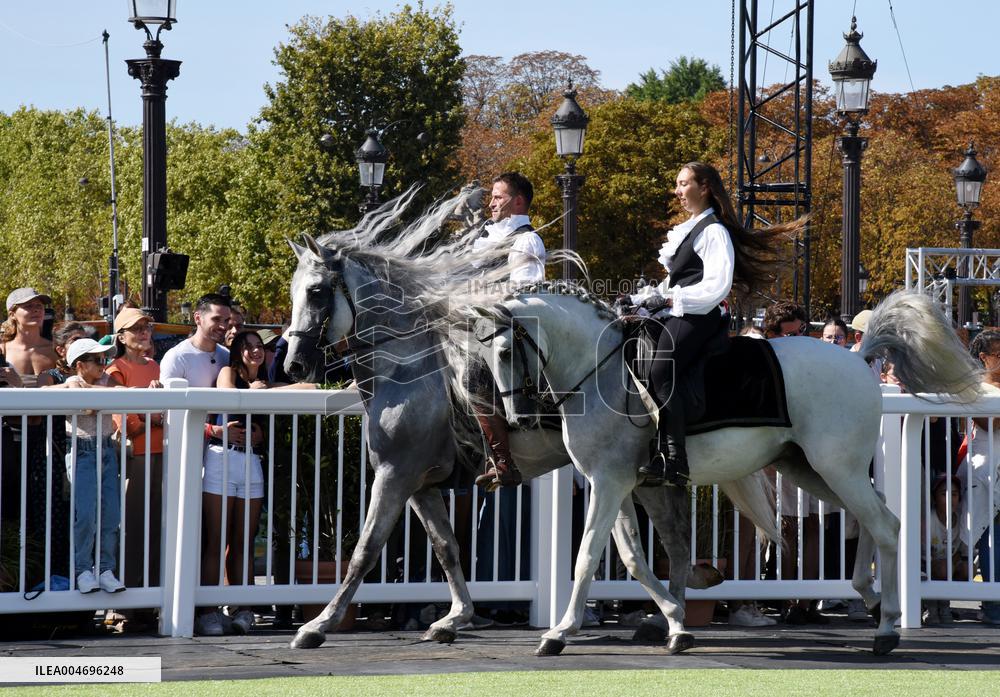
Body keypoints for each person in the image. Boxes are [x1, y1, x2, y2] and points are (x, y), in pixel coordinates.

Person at [633, 162, 795, 487]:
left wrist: (667, 301)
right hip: (683, 312)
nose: (677, 191)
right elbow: (675, 282)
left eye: (683, 184)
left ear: (704, 187)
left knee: (662, 370)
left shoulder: (714, 232)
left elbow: (717, 285)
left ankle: (675, 458)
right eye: (677, 185)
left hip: (702, 315)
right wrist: (639, 300)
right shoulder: (691, 230)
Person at [159, 292, 234, 636]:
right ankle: (189, 612)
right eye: (216, 319)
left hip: (219, 462)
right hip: (184, 465)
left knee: (215, 538)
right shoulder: (177, 357)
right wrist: (211, 429)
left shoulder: (227, 357)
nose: (222, 325)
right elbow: (166, 414)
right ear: (198, 318)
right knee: (190, 538)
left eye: (226, 320)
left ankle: (212, 608)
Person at [470, 171, 546, 491]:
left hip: (508, 325)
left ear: (517, 201)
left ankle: (502, 460)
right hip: (477, 319)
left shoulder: (527, 239)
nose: (491, 203)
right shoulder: (486, 238)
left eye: (498, 197)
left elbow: (523, 294)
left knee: (471, 375)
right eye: (491, 196)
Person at [105, 308, 164, 601]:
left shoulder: (156, 367)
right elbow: (125, 423)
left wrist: (151, 413)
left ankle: (150, 603)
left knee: (157, 531)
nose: (143, 332)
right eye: (136, 328)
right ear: (121, 337)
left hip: (162, 455)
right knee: (131, 532)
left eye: (146, 327)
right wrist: (153, 415)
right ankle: (124, 606)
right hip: (133, 458)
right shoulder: (115, 369)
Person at [64, 338, 125, 594]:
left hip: (106, 449)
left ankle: (105, 568)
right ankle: (82, 570)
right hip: (82, 451)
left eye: (104, 360)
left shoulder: (105, 382)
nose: (104, 365)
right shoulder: (72, 383)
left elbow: (124, 392)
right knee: (86, 515)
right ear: (80, 365)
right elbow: (84, 402)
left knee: (111, 514)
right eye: (97, 361)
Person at [956, 329, 1000, 625]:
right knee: (989, 539)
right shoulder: (974, 388)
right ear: (984, 358)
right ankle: (993, 604)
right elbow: (990, 424)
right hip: (985, 469)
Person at [922, 473, 967, 624]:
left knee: (969, 569)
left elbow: (963, 552)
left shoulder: (961, 520)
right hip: (926, 565)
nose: (949, 498)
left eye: (954, 494)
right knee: (942, 568)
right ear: (934, 498)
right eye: (943, 494)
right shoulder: (929, 520)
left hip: (949, 564)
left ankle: (945, 604)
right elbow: (925, 555)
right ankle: (931, 606)